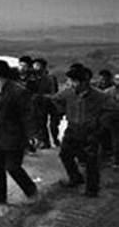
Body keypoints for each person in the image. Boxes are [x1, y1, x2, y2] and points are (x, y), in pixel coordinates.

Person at [47, 64, 118, 197]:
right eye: (70, 81)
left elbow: (113, 110)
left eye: (73, 81)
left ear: (84, 82)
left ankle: (92, 189)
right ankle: (75, 178)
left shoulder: (100, 96)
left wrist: (100, 124)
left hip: (91, 131)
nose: (71, 84)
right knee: (65, 154)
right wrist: (61, 110)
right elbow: (55, 100)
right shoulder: (67, 93)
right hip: (72, 128)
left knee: (91, 160)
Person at [0, 59, 39, 204]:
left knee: (12, 167)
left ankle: (31, 190)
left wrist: (32, 135)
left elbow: (27, 115)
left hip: (14, 135)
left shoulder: (18, 91)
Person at [32, 58, 61, 148]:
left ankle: (54, 140)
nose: (35, 67)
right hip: (40, 103)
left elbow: (53, 92)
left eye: (37, 65)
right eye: (34, 65)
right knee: (40, 122)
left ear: (43, 67)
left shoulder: (50, 78)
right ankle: (44, 141)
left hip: (50, 102)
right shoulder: (34, 78)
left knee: (53, 124)